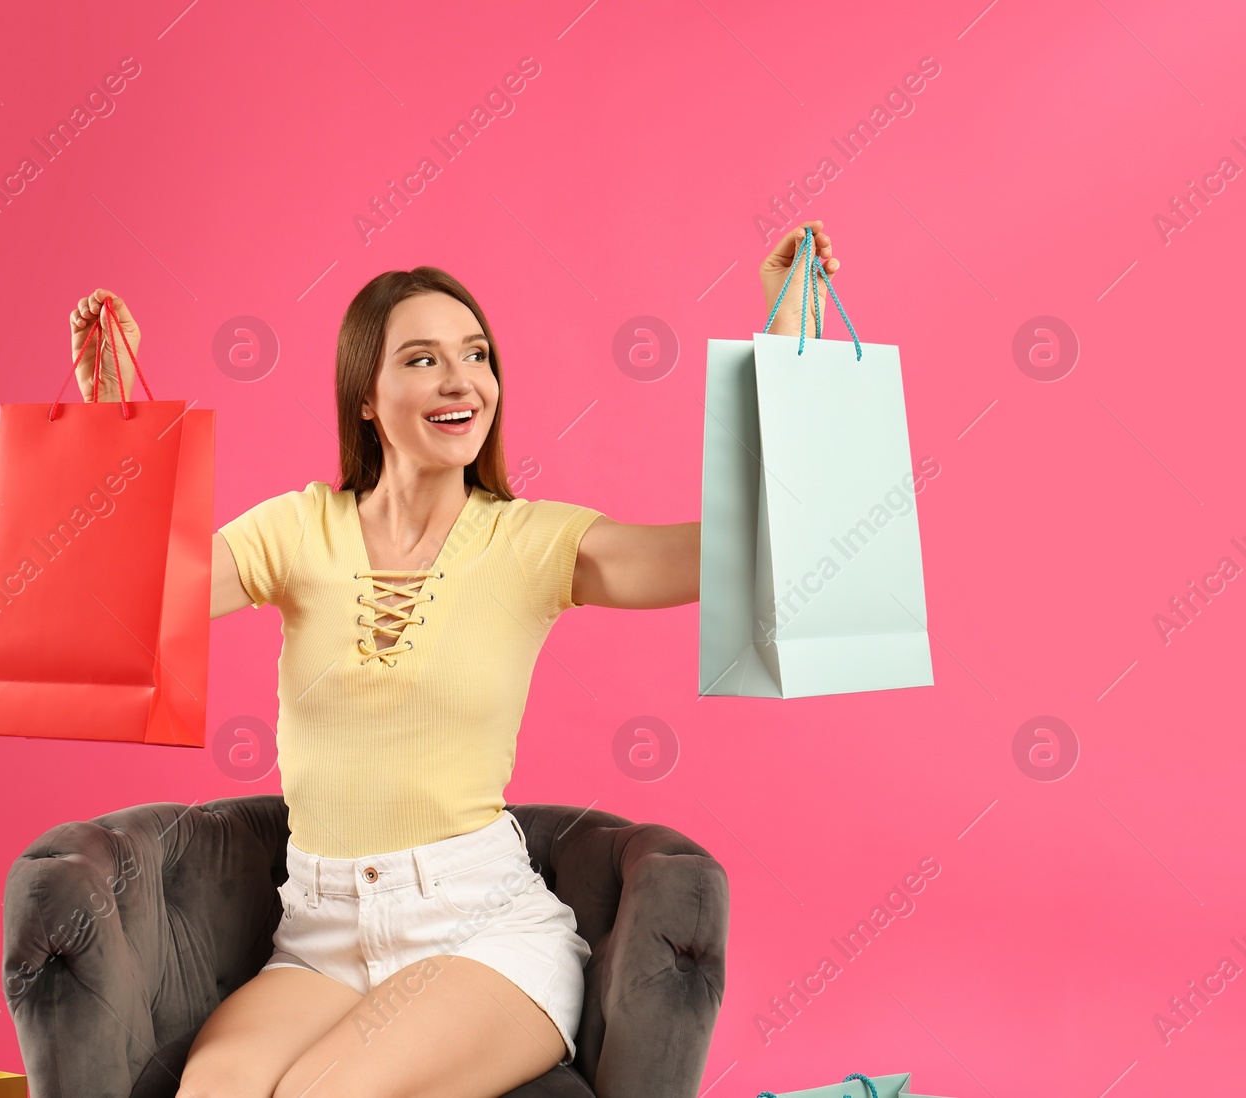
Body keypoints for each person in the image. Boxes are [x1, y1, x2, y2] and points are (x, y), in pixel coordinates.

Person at [66, 222, 841, 1098]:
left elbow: (735, 553)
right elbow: (134, 600)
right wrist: (107, 425)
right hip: (319, 935)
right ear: (365, 394)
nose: (461, 379)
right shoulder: (295, 529)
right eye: (423, 359)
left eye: (476, 354)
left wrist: (785, 335)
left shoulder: (530, 542)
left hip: (479, 929)